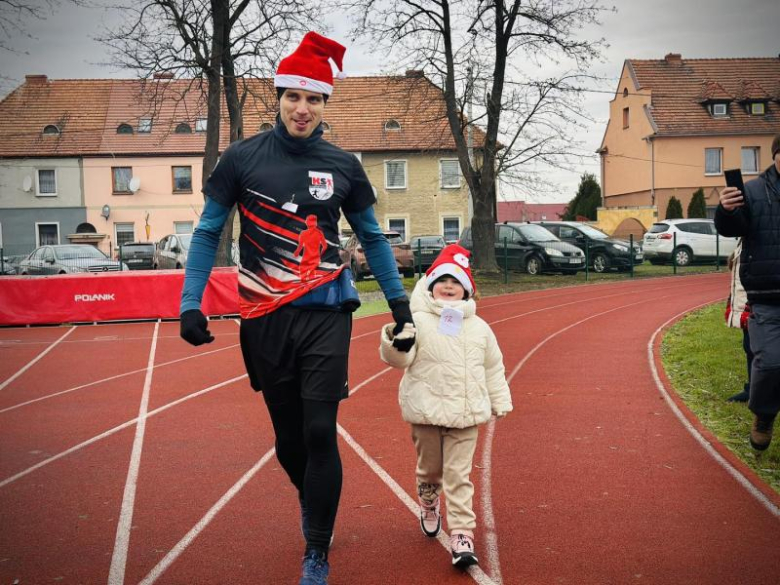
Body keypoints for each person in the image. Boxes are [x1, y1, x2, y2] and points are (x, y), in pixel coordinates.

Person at [178, 32, 416, 585]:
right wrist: (191, 304)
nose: (303, 109)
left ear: (326, 103)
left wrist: (399, 303)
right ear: (278, 97)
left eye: (314, 99)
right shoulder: (240, 159)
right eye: (293, 97)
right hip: (263, 318)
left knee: (317, 430)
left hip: (326, 309)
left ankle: (316, 549)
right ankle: (316, 505)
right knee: (288, 442)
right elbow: (208, 231)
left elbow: (374, 239)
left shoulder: (343, 165)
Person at [378, 245, 513, 569]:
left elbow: (492, 366)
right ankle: (428, 499)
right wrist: (397, 342)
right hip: (426, 411)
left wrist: (499, 398)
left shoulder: (479, 328)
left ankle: (462, 534)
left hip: (465, 415)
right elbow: (401, 359)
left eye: (457, 282)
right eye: (443, 280)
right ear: (430, 285)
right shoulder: (419, 322)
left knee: (458, 475)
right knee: (431, 470)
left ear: (467, 289)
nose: (449, 286)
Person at [715, 133, 780, 451]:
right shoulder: (752, 191)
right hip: (768, 295)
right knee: (769, 363)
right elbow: (733, 227)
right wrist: (726, 210)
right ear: (776, 154)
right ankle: (764, 415)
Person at [724, 241, 753, 403]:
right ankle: (752, 389)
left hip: (757, 300)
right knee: (749, 346)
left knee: (758, 348)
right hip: (745, 300)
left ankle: (760, 391)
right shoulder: (745, 237)